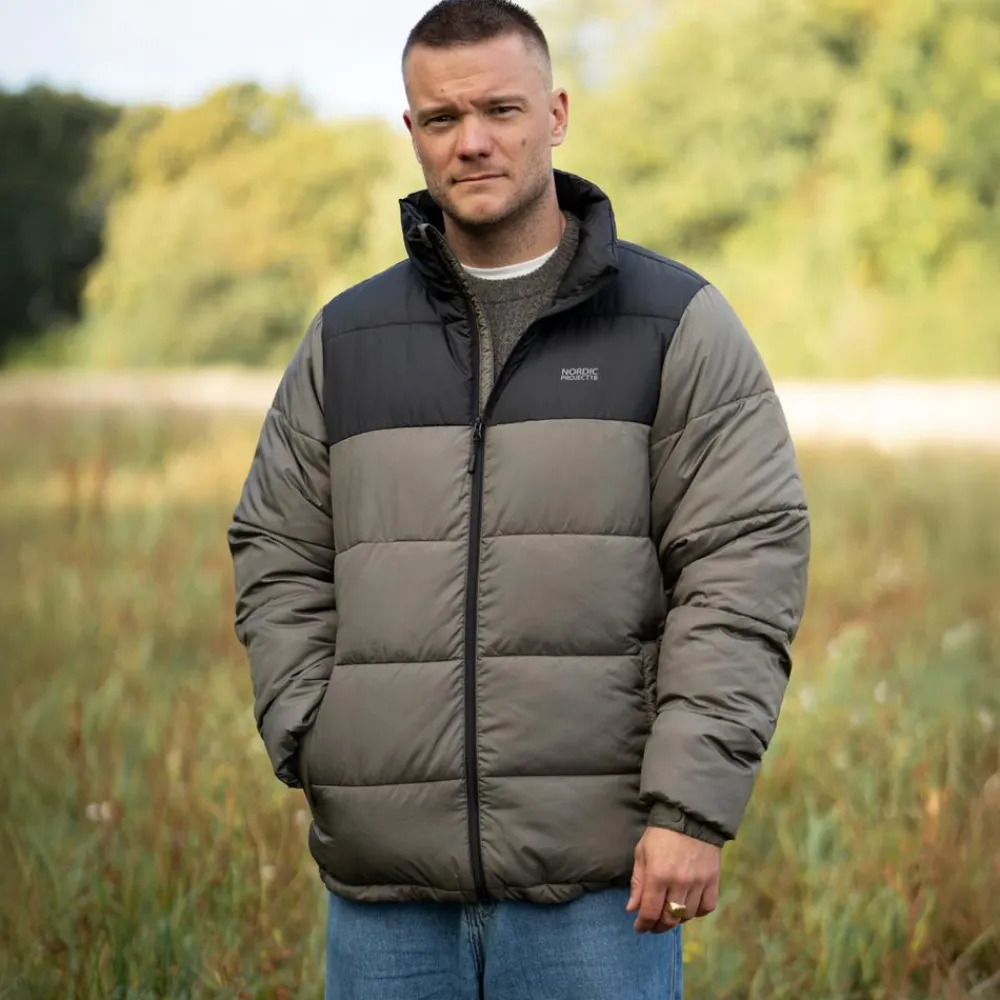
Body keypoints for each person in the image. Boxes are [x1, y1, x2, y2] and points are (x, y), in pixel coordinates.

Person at [227, 1, 811, 997]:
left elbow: (742, 565)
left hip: (598, 885)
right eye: (442, 118)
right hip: (386, 892)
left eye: (500, 109)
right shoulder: (347, 340)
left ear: (556, 113)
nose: (473, 141)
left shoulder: (675, 323)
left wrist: (689, 806)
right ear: (412, 131)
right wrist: (316, 732)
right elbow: (277, 548)